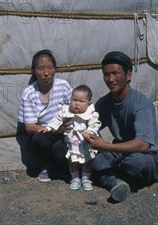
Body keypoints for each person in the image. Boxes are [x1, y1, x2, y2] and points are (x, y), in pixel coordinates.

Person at [87, 51, 158, 203]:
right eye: (106, 74)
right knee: (91, 158)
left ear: (128, 75)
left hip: (148, 156)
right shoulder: (104, 103)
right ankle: (118, 184)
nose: (110, 79)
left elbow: (143, 145)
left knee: (135, 163)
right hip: (121, 153)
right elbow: (92, 125)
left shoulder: (141, 104)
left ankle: (116, 179)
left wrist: (107, 146)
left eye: (115, 73)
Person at [18, 49, 73, 182]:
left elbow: (74, 110)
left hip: (64, 131)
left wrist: (63, 128)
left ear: (55, 69)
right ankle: (46, 165)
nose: (46, 73)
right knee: (39, 140)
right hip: (44, 133)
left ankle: (62, 167)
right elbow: (30, 127)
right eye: (41, 68)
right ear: (34, 71)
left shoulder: (63, 87)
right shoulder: (29, 93)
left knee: (60, 149)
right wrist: (53, 130)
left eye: (50, 68)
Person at [44, 85, 101, 191]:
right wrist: (48, 127)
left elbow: (95, 124)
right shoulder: (66, 111)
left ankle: (85, 178)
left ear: (88, 103)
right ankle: (75, 178)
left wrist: (90, 132)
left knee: (87, 161)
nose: (76, 103)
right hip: (71, 142)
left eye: (81, 101)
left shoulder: (91, 113)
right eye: (74, 100)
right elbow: (57, 119)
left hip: (85, 142)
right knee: (72, 160)